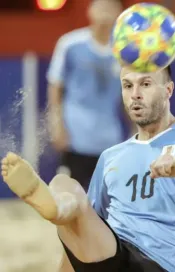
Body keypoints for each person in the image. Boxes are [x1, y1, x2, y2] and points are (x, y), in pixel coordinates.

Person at [1, 64, 175, 272]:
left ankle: (58, 208)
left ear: (168, 90)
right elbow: (80, 238)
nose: (135, 93)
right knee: (64, 186)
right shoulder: (111, 156)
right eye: (127, 85)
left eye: (146, 84)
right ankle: (57, 208)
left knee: (72, 201)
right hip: (112, 256)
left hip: (161, 264)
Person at [46, 0, 126, 192]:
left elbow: (129, 94)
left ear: (120, 13)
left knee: (108, 198)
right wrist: (57, 124)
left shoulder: (125, 50)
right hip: (76, 136)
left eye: (111, 8)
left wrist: (137, 130)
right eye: (101, 7)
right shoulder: (70, 44)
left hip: (109, 138)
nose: (105, 14)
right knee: (69, 196)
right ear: (90, 11)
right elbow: (55, 85)